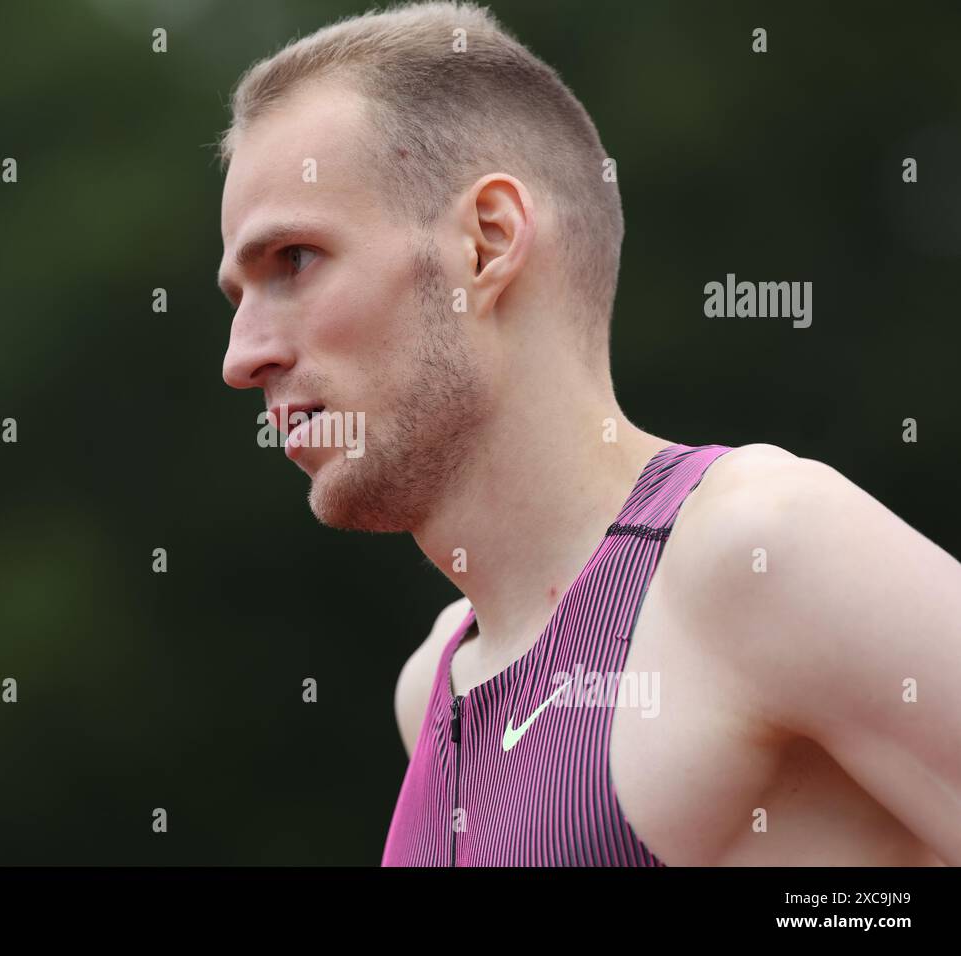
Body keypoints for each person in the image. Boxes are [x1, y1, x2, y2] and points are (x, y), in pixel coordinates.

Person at [213, 1, 960, 865]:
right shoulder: (433, 688)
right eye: (237, 297)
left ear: (487, 244)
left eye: (293, 261)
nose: (242, 357)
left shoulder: (764, 553)